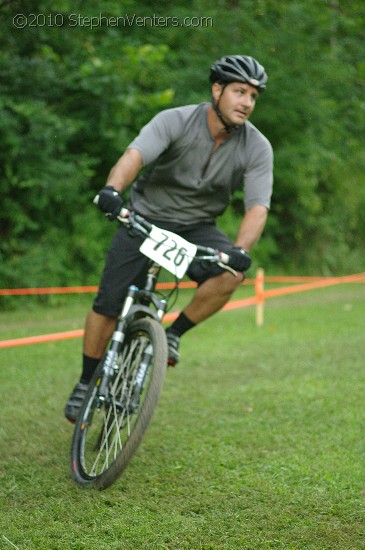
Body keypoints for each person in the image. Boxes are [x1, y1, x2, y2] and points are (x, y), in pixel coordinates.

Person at [65, 54, 273, 423]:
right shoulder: (175, 120)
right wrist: (113, 190)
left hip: (197, 226)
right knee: (108, 304)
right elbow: (136, 155)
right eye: (239, 92)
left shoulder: (257, 147)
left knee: (231, 274)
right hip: (146, 217)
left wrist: (241, 250)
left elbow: (258, 206)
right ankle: (85, 382)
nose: (246, 103)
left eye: (253, 96)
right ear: (217, 89)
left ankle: (173, 334)